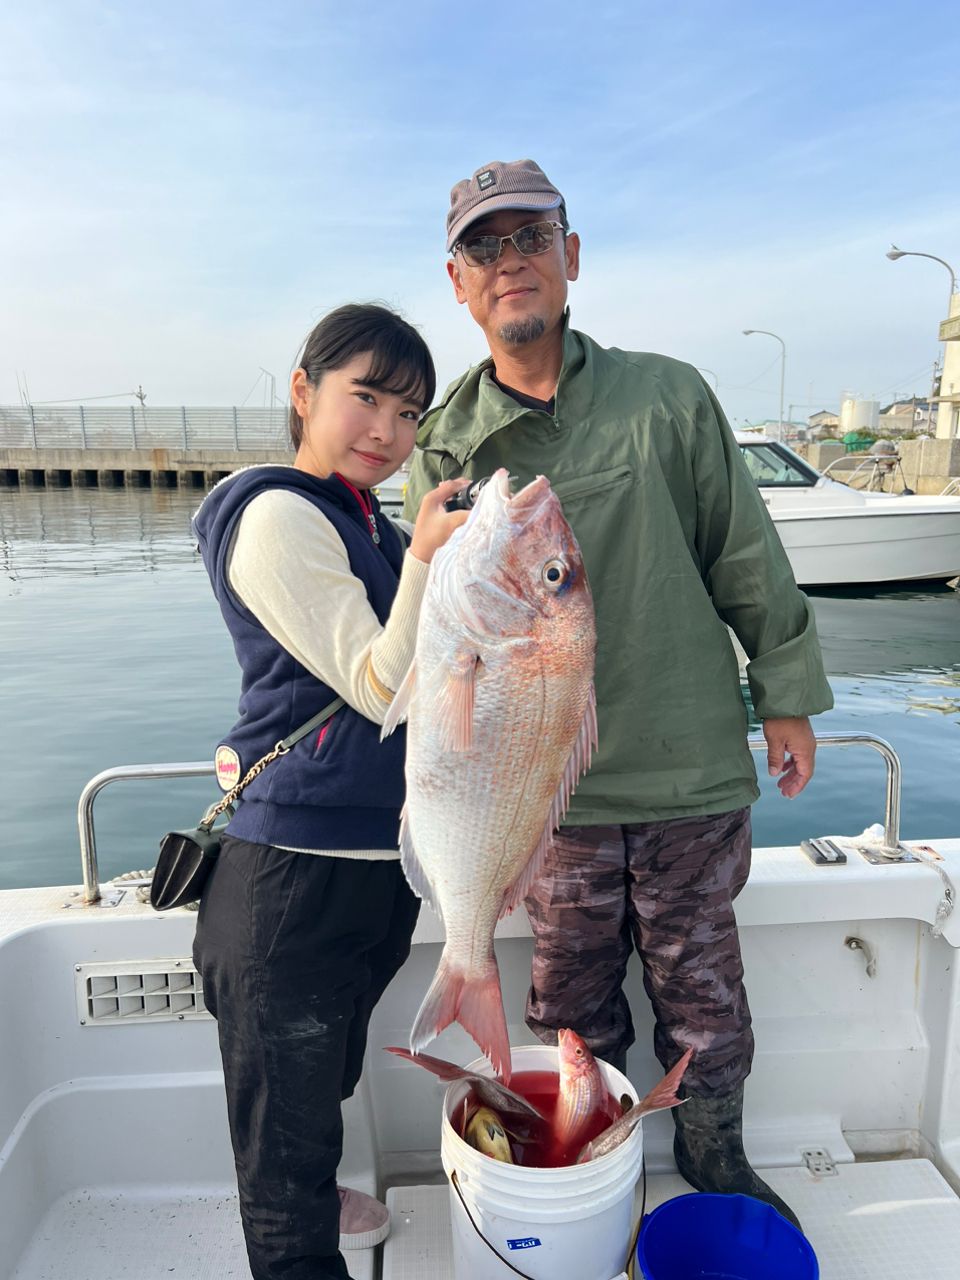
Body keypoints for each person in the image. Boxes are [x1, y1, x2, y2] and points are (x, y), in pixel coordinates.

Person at [403, 160, 834, 1229]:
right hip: (547, 795)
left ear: (572, 257)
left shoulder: (669, 394)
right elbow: (435, 625)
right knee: (572, 1004)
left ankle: (713, 1148)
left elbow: (745, 547)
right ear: (458, 284)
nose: (511, 263)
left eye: (531, 238)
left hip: (687, 758)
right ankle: (594, 1159)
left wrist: (785, 690)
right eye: (485, 249)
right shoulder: (447, 441)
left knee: (704, 988)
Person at [192, 303, 467, 1280]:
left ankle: (313, 1190)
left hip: (372, 865)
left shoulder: (371, 522)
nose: (387, 430)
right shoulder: (273, 515)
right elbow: (383, 684)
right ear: (303, 391)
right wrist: (431, 556)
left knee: (327, 1073)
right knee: (282, 1137)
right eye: (366, 396)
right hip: (288, 882)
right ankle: (297, 1220)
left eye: (409, 411)